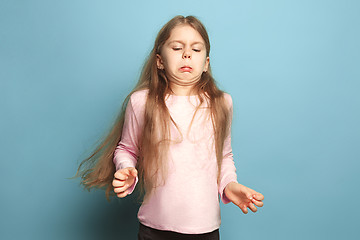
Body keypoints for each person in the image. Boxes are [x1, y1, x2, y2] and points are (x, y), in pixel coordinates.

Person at [76, 15, 264, 240]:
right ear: (159, 60)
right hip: (154, 230)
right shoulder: (142, 102)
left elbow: (224, 156)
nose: (187, 54)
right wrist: (125, 169)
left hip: (205, 229)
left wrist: (229, 185)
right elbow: (126, 149)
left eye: (196, 49)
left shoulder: (222, 103)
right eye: (177, 47)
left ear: (206, 63)